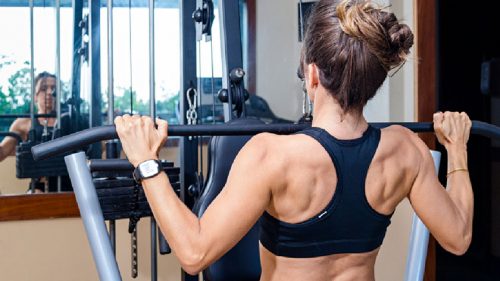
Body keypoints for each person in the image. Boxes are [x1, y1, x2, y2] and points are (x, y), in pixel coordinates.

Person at [115, 0, 473, 280]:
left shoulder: (271, 155)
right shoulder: (407, 149)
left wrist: (146, 162)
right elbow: (458, 238)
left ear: (313, 74)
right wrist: (457, 150)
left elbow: (194, 254)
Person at [0, 71, 71, 192]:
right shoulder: (24, 123)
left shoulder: (71, 121)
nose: (49, 93)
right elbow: (2, 152)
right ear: (35, 96)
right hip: (39, 188)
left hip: (70, 187)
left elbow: (99, 146)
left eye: (53, 89)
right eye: (44, 88)